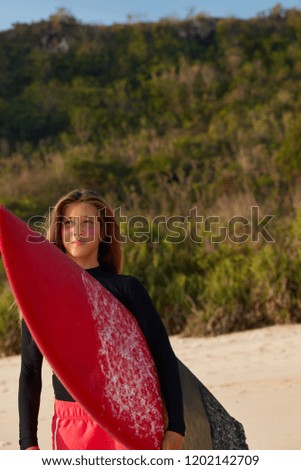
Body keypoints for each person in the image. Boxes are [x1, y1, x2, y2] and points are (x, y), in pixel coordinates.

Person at [19, 189, 185, 450]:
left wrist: (176, 427)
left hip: (129, 418)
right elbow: (30, 370)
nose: (77, 231)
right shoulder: (42, 296)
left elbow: (162, 355)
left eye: (88, 223)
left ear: (104, 231)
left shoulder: (126, 289)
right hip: (73, 425)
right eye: (68, 223)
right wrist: (27, 442)